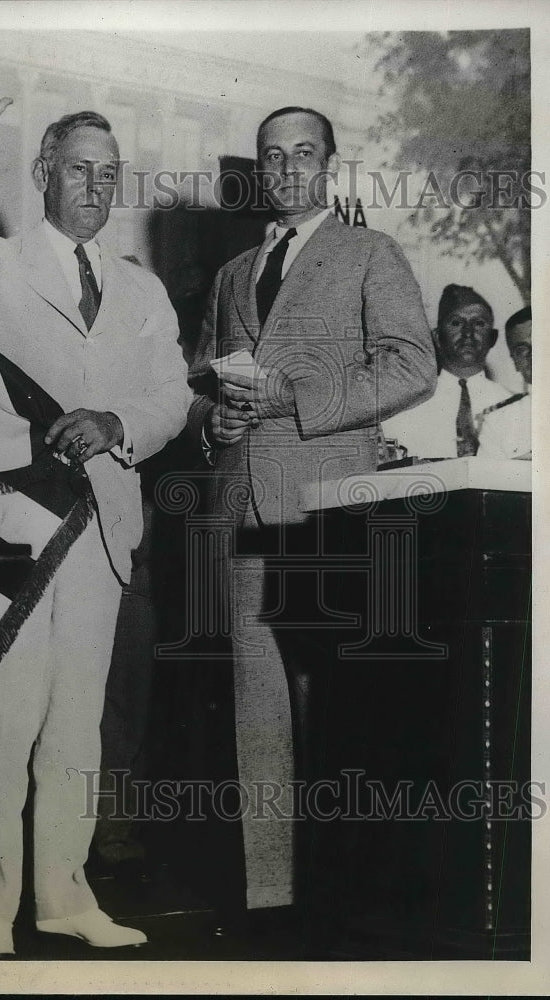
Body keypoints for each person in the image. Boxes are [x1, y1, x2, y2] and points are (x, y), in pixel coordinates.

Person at [0, 46, 191, 955]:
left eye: (108, 175)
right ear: (43, 175)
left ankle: (64, 899)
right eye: (77, 171)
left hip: (102, 528)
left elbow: (172, 396)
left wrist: (117, 421)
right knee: (2, 715)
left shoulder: (141, 289)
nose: (95, 188)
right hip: (9, 522)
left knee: (75, 721)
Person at [187, 106, 437, 917]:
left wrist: (301, 399)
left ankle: (352, 891)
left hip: (329, 510)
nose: (287, 167)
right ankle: (272, 895)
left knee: (336, 701)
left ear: (331, 163)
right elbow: (199, 382)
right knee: (257, 709)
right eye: (272, 156)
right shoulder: (230, 274)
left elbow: (412, 368)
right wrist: (211, 423)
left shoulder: (369, 253)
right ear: (258, 169)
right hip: (241, 508)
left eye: (303, 153)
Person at [382, 284, 512, 458]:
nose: (468, 332)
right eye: (456, 323)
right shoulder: (407, 406)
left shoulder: (516, 408)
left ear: (493, 337)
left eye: (479, 323)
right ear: (437, 336)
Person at [478, 306, 531, 460]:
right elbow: (488, 481)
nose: (534, 354)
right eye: (522, 349)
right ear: (514, 361)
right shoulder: (498, 422)